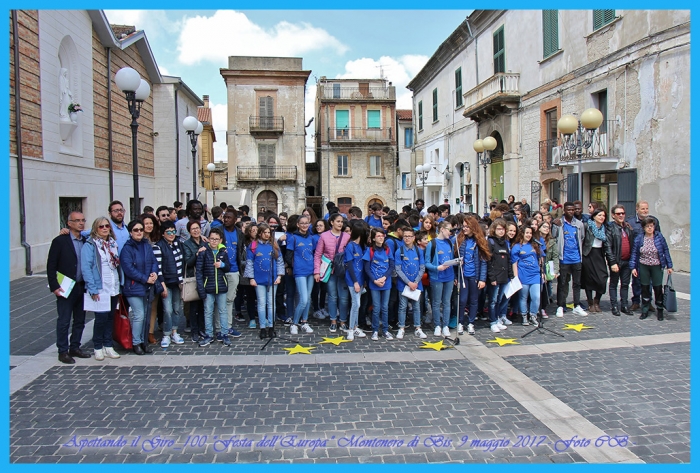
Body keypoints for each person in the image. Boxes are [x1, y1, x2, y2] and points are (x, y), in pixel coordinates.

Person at [47, 211, 91, 364]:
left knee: (80, 320)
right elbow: (51, 265)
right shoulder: (60, 241)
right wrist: (54, 285)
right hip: (66, 286)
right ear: (69, 223)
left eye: (82, 220)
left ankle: (75, 347)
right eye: (77, 220)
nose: (81, 223)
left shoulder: (86, 240)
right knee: (64, 320)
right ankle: (63, 351)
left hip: (81, 286)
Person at [81, 217, 121, 361]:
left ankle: (108, 345)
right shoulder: (91, 245)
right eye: (101, 226)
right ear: (95, 229)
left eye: (107, 226)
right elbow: (86, 268)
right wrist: (92, 288)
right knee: (101, 318)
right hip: (100, 286)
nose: (104, 228)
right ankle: (98, 346)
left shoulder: (112, 244)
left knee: (110, 317)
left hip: (113, 285)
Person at [120, 219, 159, 355]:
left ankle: (144, 342)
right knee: (139, 315)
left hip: (147, 286)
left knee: (146, 315)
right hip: (133, 287)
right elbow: (129, 269)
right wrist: (145, 279)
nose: (139, 232)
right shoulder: (127, 248)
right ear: (130, 232)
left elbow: (153, 261)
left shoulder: (146, 245)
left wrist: (154, 273)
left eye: (141, 230)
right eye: (136, 230)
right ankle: (136, 342)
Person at [244, 223, 285, 339]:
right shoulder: (253, 246)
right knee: (262, 304)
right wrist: (251, 278)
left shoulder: (274, 245)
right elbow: (250, 263)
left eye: (269, 233)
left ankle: (271, 326)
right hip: (259, 279)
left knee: (271, 303)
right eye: (264, 232)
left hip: (272, 279)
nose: (267, 235)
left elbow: (280, 261)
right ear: (260, 233)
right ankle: (262, 327)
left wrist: (279, 276)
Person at [630, 217, 673, 321]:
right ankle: (644, 309)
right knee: (644, 288)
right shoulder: (639, 238)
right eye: (647, 226)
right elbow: (634, 253)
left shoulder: (659, 237)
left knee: (657, 288)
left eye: (651, 226)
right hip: (643, 265)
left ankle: (660, 309)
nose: (650, 228)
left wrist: (669, 265)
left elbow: (665, 250)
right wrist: (633, 267)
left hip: (657, 265)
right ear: (643, 228)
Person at [314, 213, 351, 333]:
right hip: (330, 270)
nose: (340, 224)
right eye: (338, 221)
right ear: (331, 222)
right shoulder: (324, 236)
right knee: (332, 296)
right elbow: (318, 254)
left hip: (343, 271)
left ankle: (343, 320)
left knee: (344, 297)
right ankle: (333, 320)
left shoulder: (346, 236)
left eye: (341, 222)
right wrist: (316, 272)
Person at [196, 228, 232, 346]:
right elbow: (199, 272)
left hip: (221, 286)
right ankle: (209, 334)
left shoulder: (223, 251)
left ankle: (224, 333)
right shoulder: (203, 252)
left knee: (222, 311)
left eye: (216, 239)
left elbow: (228, 267)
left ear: (220, 240)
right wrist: (201, 289)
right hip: (208, 287)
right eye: (212, 239)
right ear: (208, 239)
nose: (214, 241)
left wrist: (222, 265)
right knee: (208, 311)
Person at [455, 216, 491, 335]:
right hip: (463, 275)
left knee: (474, 300)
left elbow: (484, 262)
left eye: (467, 226)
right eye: (463, 226)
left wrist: (482, 279)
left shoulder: (479, 241)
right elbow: (454, 258)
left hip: (474, 275)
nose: (464, 229)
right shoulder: (460, 240)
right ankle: (460, 322)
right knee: (463, 299)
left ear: (473, 227)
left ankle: (471, 323)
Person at [154, 221, 186, 347]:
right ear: (163, 233)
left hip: (177, 282)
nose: (172, 234)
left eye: (173, 231)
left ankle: (175, 331)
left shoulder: (178, 244)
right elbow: (158, 268)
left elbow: (182, 263)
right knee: (167, 310)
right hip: (166, 282)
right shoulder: (158, 246)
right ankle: (166, 334)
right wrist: (162, 285)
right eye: (169, 232)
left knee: (177, 309)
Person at [627, 200, 661, 311]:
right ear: (637, 209)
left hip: (651, 258)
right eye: (642, 209)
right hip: (637, 257)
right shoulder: (631, 222)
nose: (645, 211)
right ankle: (636, 301)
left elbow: (658, 237)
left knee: (649, 281)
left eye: (646, 208)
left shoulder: (654, 221)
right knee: (636, 281)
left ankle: (647, 302)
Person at [555, 202, 588, 317]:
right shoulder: (560, 223)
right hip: (564, 258)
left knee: (577, 283)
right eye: (568, 210)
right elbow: (554, 236)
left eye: (573, 210)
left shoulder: (579, 224)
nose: (571, 212)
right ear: (564, 210)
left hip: (576, 258)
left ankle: (577, 305)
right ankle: (560, 305)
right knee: (562, 283)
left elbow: (582, 237)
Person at [425, 221, 457, 337]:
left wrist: (455, 269)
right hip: (437, 277)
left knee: (447, 302)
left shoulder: (449, 242)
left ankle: (445, 325)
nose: (450, 232)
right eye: (449, 230)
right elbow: (427, 263)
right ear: (442, 229)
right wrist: (437, 268)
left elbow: (452, 259)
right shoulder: (432, 244)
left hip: (449, 276)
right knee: (436, 302)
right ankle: (437, 325)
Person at [395, 227, 427, 340]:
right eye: (405, 236)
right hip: (404, 285)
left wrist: (416, 282)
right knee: (402, 306)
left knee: (416, 306)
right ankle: (401, 327)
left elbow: (422, 267)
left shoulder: (419, 251)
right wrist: (409, 282)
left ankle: (418, 327)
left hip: (416, 284)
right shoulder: (400, 251)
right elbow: (398, 269)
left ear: (414, 238)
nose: (407, 238)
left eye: (409, 236)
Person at [286, 215, 316, 335]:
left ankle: (304, 322)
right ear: (298, 225)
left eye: (306, 223)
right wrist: (294, 266)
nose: (304, 225)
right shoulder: (293, 238)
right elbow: (288, 255)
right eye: (302, 223)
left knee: (308, 299)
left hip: (311, 271)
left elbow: (314, 253)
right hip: (299, 272)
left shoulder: (312, 238)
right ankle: (294, 322)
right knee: (303, 299)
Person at [581, 208, 616, 314]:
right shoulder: (587, 226)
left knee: (602, 278)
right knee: (589, 279)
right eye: (599, 215)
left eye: (603, 216)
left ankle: (597, 300)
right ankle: (591, 303)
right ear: (594, 216)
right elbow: (582, 239)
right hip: (588, 254)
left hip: (599, 254)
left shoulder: (605, 228)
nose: (602, 217)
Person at [364, 227, 395, 341]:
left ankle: (386, 330)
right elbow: (367, 268)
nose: (381, 238)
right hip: (374, 283)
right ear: (373, 238)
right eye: (378, 236)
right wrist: (375, 280)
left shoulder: (387, 250)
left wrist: (384, 278)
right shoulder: (370, 250)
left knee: (385, 307)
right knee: (376, 307)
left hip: (386, 282)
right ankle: (375, 330)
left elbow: (391, 265)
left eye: (382, 235)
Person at [606, 204, 636, 316]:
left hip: (627, 261)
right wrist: (612, 262)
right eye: (618, 213)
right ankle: (614, 305)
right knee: (613, 284)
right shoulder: (610, 227)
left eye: (623, 213)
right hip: (616, 262)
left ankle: (624, 305)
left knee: (625, 284)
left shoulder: (628, 227)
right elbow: (608, 247)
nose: (621, 215)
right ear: (613, 215)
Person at [511, 226, 543, 326]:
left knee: (536, 297)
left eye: (530, 233)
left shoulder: (535, 245)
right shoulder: (517, 247)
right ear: (522, 234)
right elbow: (514, 263)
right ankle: (524, 316)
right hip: (523, 275)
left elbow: (540, 259)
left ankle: (533, 315)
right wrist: (516, 277)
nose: (529, 235)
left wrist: (542, 272)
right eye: (527, 233)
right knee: (523, 297)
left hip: (535, 275)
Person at [486, 219, 514, 332]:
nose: (501, 231)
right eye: (499, 229)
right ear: (494, 229)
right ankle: (492, 321)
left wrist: (510, 275)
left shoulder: (505, 243)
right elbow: (489, 261)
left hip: (504, 276)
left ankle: (497, 318)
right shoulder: (491, 242)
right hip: (495, 276)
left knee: (499, 299)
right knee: (492, 300)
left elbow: (508, 260)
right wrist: (492, 277)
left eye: (503, 229)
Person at [181, 220, 207, 342]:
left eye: (197, 228)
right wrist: (197, 253)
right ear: (189, 231)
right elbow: (188, 262)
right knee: (193, 306)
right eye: (193, 229)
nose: (196, 230)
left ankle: (202, 328)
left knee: (202, 305)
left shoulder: (204, 241)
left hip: (205, 276)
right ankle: (194, 330)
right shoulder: (186, 244)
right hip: (193, 277)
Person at [344, 220, 369, 341]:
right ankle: (350, 329)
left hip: (360, 279)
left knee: (357, 303)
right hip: (353, 280)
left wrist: (362, 281)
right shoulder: (350, 246)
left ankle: (355, 326)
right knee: (356, 303)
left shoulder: (361, 246)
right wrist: (355, 282)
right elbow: (349, 265)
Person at [222, 210, 245, 335]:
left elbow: (240, 250)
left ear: (235, 219)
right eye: (225, 217)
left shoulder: (239, 233)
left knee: (230, 299)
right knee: (219, 300)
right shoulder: (219, 231)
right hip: (220, 270)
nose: (226, 220)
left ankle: (228, 326)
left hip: (234, 270)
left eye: (229, 217)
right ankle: (219, 327)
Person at [539, 220, 558, 318]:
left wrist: (556, 270)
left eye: (548, 227)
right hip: (538, 266)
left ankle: (543, 308)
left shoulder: (552, 241)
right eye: (544, 227)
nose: (546, 229)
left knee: (547, 290)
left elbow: (555, 256)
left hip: (548, 266)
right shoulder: (536, 239)